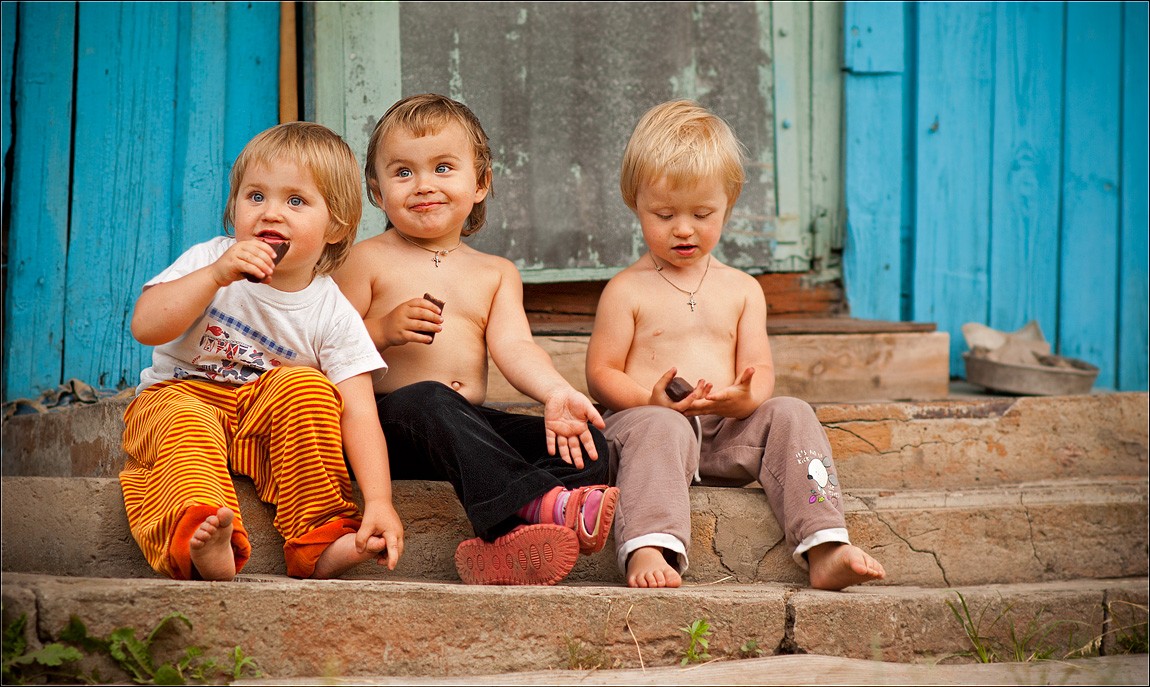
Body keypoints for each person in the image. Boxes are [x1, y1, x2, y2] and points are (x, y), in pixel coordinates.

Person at [585, 99, 887, 590]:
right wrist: (648, 400)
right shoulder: (626, 289)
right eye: (663, 214)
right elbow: (600, 372)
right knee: (663, 426)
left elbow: (758, 369)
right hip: (649, 438)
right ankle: (647, 546)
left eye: (702, 213)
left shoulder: (743, 289)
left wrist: (746, 397)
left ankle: (826, 544)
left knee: (791, 411)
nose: (683, 228)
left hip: (726, 436)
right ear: (634, 203)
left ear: (728, 203)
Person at [334, 93, 618, 586]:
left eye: (443, 167)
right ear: (378, 193)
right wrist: (380, 332)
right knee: (428, 397)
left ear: (480, 182)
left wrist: (555, 393)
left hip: (466, 427)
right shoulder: (364, 260)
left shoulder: (495, 272)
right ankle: (536, 503)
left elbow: (515, 347)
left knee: (591, 444)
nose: (423, 185)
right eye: (403, 173)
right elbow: (323, 346)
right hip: (390, 426)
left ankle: (500, 544)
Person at [120, 121, 403, 582]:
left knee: (309, 386)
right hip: (181, 395)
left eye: (295, 201)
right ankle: (206, 541)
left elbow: (359, 414)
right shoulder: (209, 259)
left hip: (259, 423)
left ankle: (322, 539)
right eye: (256, 197)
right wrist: (214, 276)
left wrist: (380, 502)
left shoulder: (332, 312)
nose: (271, 213)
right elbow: (146, 326)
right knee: (182, 420)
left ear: (335, 226)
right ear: (234, 208)